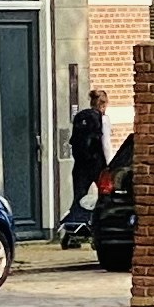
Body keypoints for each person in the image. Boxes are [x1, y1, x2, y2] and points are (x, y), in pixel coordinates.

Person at [62, 88, 109, 242]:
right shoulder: (103, 118)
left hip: (80, 165)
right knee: (106, 197)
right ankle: (101, 229)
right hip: (97, 164)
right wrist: (109, 165)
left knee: (78, 197)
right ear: (103, 105)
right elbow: (105, 144)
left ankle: (71, 231)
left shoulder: (80, 117)